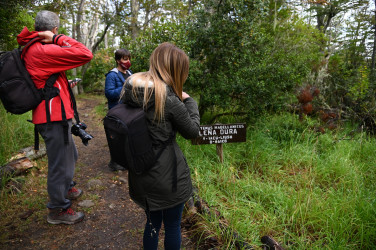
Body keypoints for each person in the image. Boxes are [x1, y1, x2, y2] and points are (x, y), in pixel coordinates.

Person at [120, 42, 200, 249]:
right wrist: (190, 101)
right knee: (173, 225)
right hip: (168, 175)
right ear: (175, 69)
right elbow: (192, 131)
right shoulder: (169, 99)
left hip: (140, 170)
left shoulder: (131, 88)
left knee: (152, 223)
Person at [17, 10, 93, 224]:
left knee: (71, 156)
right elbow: (85, 54)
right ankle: (57, 209)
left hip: (54, 113)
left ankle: (66, 189)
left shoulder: (33, 48)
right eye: (57, 32)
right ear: (54, 30)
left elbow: (44, 79)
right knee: (61, 164)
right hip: (53, 117)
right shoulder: (44, 49)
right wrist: (58, 39)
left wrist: (64, 85)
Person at [105, 48, 133, 171]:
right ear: (118, 60)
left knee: (128, 136)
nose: (127, 61)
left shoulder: (130, 73)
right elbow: (109, 93)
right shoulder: (112, 75)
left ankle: (126, 160)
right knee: (116, 137)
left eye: (128, 59)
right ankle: (115, 162)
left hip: (129, 109)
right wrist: (125, 87)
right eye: (125, 59)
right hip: (116, 110)